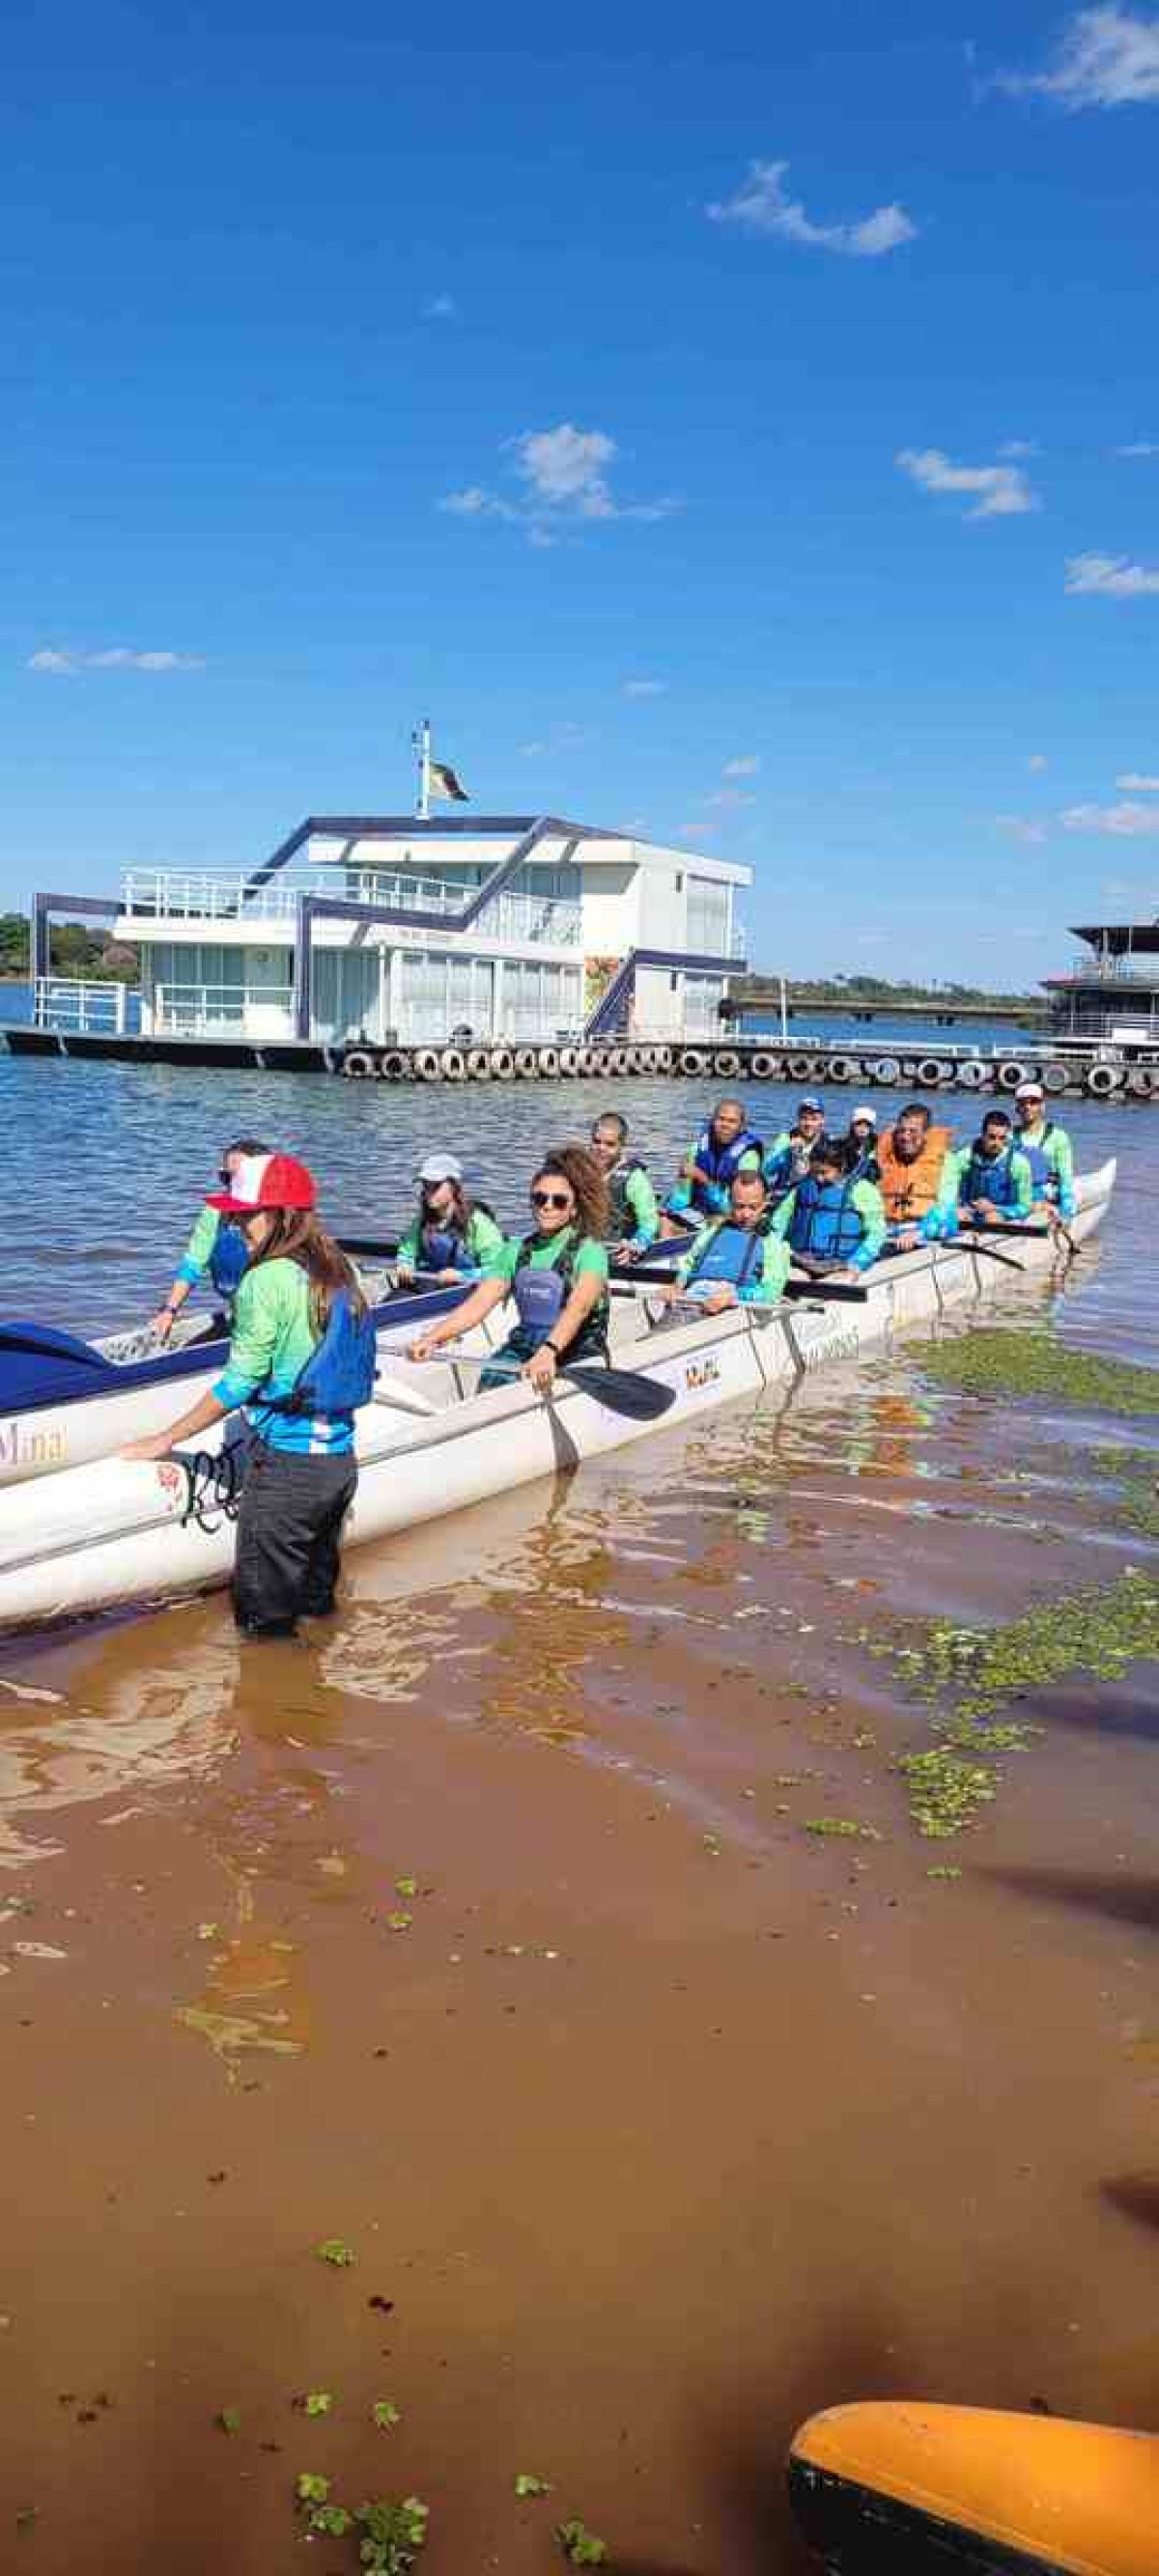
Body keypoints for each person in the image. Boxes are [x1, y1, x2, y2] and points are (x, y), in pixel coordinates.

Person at [125, 1152, 377, 1638]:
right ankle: (320, 1696)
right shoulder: (340, 1266)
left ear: (281, 1215)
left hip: (289, 1471)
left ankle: (281, 1707)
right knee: (316, 1606)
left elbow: (239, 1382)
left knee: (263, 1630)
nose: (237, 1224)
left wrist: (164, 1440)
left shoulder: (264, 1280)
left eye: (245, 1214)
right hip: (339, 1465)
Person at [409, 1143, 610, 1393]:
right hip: (526, 1345)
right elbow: (479, 1302)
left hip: (577, 1349)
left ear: (574, 1208)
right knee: (491, 1380)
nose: (547, 1206)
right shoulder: (514, 1250)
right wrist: (433, 1338)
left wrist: (549, 1351)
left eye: (558, 1201)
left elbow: (578, 1308)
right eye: (539, 1198)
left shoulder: (591, 1252)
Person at [150, 1134, 270, 1338]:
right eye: (226, 1177)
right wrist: (169, 1310)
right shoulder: (215, 1212)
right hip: (240, 1308)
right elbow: (193, 1263)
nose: (232, 1185)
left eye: (240, 1178)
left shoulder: (280, 1216)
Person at [672, 1169, 791, 1312]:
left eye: (753, 1207)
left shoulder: (771, 1244)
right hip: (694, 1298)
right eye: (739, 1206)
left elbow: (771, 1292)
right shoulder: (711, 1233)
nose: (746, 1214)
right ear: (730, 1201)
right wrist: (676, 1287)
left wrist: (734, 1296)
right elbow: (688, 1266)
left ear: (764, 1203)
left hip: (732, 1306)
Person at [769, 1135, 887, 1279]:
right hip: (801, 1260)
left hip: (842, 1263)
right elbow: (778, 1223)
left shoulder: (863, 1190)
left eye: (824, 1172)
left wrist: (857, 1263)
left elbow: (876, 1233)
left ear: (841, 1168)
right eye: (814, 1172)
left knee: (839, 1282)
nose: (819, 1178)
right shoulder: (801, 1188)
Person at [394, 1154, 505, 1285]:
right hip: (433, 1283)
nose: (429, 1192)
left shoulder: (480, 1224)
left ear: (454, 1187)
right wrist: (405, 1265)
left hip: (470, 1289)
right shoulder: (421, 1221)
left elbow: (497, 1270)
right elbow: (407, 1252)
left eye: (436, 1186)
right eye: (425, 1185)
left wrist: (462, 1275)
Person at [661, 1098, 763, 1236]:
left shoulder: (749, 1158)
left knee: (715, 1222)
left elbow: (736, 1208)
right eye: (721, 1119)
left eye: (732, 1121)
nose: (725, 1125)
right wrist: (669, 1210)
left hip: (730, 1217)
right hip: (699, 1213)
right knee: (664, 1221)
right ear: (713, 1121)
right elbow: (682, 1195)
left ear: (742, 1127)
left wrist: (703, 1179)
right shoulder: (698, 1149)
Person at [875, 1103, 954, 1251]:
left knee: (948, 1218)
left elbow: (945, 1204)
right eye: (902, 1131)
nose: (905, 1137)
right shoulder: (880, 1157)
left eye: (913, 1132)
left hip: (923, 1231)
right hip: (886, 1231)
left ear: (925, 1134)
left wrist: (920, 1232)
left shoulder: (946, 1161)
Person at [939, 1110, 1033, 1230]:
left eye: (1002, 1138)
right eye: (992, 1137)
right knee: (957, 1215)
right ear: (982, 1134)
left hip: (1001, 1215)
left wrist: (995, 1208)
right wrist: (955, 1208)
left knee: (992, 1218)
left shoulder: (1019, 1163)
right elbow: (946, 1193)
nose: (996, 1143)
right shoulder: (963, 1157)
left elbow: (1025, 1207)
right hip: (969, 1213)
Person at [589, 1112, 660, 1264]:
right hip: (586, 1249)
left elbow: (650, 1223)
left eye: (610, 1144)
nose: (601, 1148)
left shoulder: (635, 1178)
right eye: (596, 1142)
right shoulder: (581, 1171)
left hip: (618, 1253)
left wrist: (636, 1244)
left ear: (622, 1145)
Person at [1012, 1079, 1077, 1223]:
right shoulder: (1008, 1137)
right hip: (1018, 1198)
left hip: (1047, 1198)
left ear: (1042, 1106)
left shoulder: (1058, 1137)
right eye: (1023, 1103)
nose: (1028, 1107)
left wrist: (1066, 1211)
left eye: (1033, 1102)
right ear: (1017, 1107)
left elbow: (1066, 1176)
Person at [763, 1097, 828, 1201]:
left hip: (813, 1196)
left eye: (814, 1119)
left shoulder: (829, 1143)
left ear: (822, 1121)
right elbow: (766, 1170)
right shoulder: (785, 1139)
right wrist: (787, 1151)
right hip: (785, 1193)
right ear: (798, 1119)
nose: (808, 1124)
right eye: (804, 1118)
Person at [841, 1104, 881, 1185]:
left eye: (867, 1125)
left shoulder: (878, 1144)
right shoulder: (842, 1146)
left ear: (872, 1127)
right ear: (852, 1125)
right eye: (859, 1123)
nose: (863, 1128)